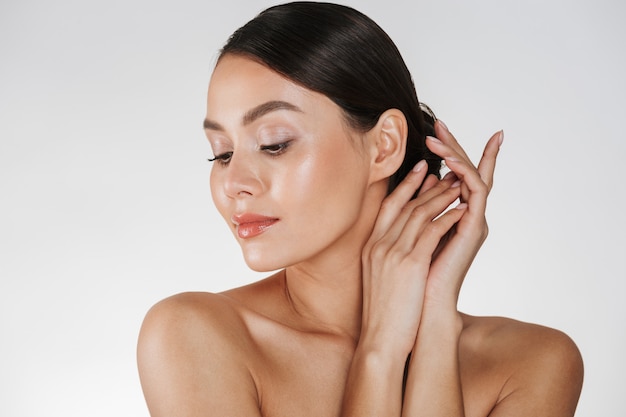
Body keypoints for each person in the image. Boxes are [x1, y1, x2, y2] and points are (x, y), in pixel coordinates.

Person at [137, 2, 583, 416]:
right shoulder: (194, 338)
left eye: (275, 144)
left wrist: (434, 326)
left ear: (383, 146)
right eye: (221, 153)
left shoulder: (531, 363)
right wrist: (380, 350)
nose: (234, 183)